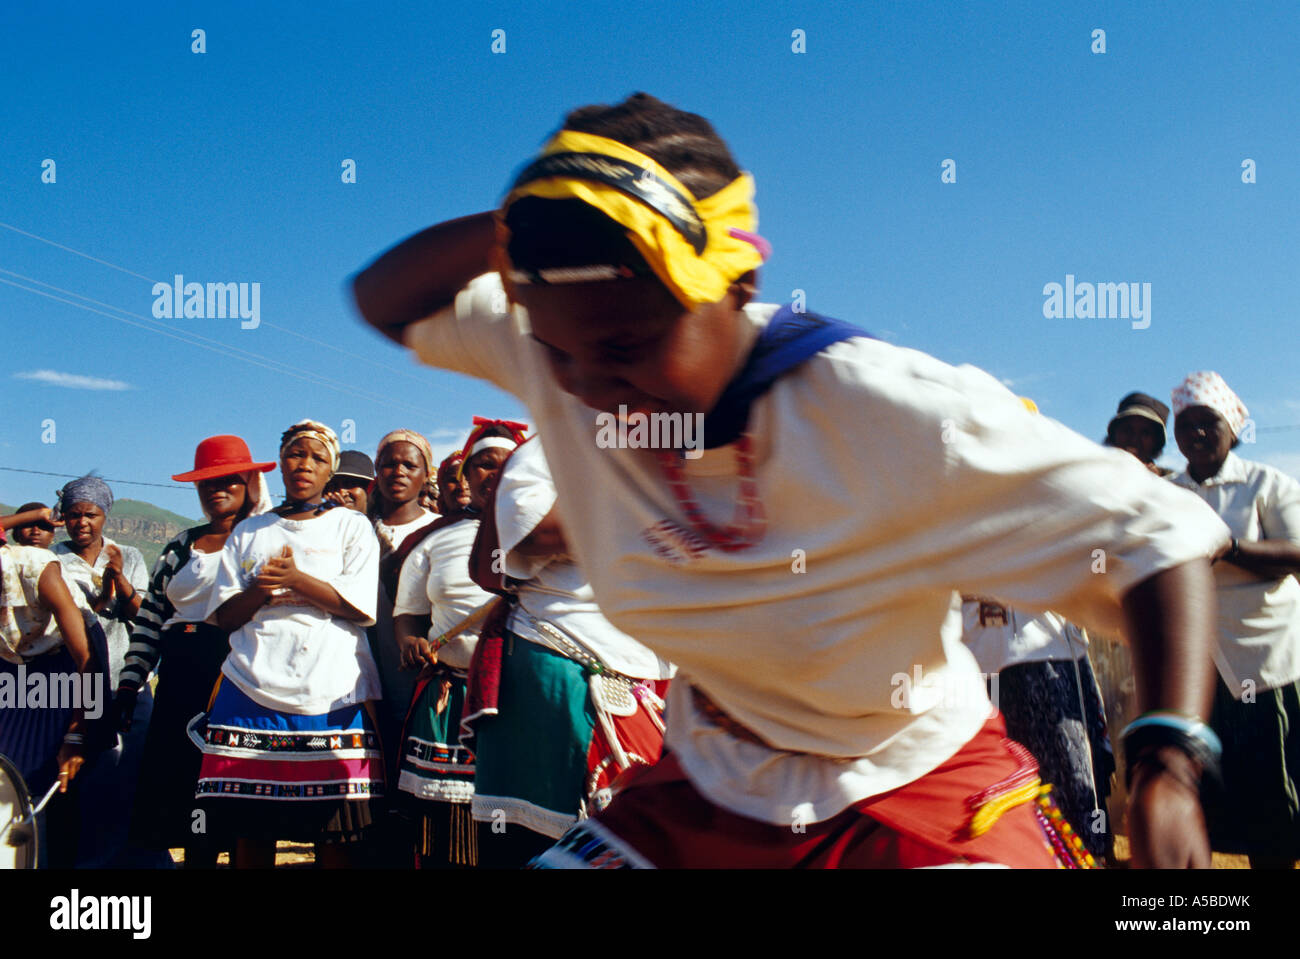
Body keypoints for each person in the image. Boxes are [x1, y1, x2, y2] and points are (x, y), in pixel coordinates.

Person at [354, 92, 1229, 868]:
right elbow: (384, 298)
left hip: (910, 787)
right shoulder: (573, 334)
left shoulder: (880, 406)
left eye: (626, 351)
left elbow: (1158, 541)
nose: (584, 389)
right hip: (713, 790)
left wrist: (1166, 763)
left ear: (730, 288)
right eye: (555, 352)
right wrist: (522, 223)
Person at [462, 435, 674, 866]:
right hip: (567, 661)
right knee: (559, 847)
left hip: (659, 669)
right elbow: (534, 527)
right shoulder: (563, 435)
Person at [195, 421, 383, 869]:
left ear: (331, 470)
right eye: (296, 455)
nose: (305, 465)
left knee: (335, 828)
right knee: (252, 828)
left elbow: (359, 609)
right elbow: (225, 617)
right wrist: (262, 588)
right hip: (251, 685)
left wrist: (297, 579)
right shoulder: (250, 532)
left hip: (332, 686)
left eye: (318, 458)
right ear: (280, 463)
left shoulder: (351, 527)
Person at [114, 435, 275, 868]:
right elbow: (151, 617)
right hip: (179, 677)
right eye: (205, 483)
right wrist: (130, 683)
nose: (215, 490)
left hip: (232, 676)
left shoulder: (262, 540)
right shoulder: (181, 545)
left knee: (226, 776)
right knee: (181, 780)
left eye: (227, 480)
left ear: (249, 483)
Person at [1169, 371, 1300, 868]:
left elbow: (1295, 554)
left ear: (1234, 428)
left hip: (1264, 664)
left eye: (1208, 423)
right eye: (1186, 425)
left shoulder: (1266, 484)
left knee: (1275, 794)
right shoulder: (1169, 493)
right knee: (1217, 798)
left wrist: (1230, 546)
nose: (1197, 435)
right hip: (1202, 672)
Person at [391, 420, 522, 867]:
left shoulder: (546, 535)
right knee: (442, 834)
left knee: (516, 826)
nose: (495, 474)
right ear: (466, 476)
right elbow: (407, 611)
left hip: (520, 699)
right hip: (448, 700)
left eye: (507, 465)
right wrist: (409, 640)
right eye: (484, 465)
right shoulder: (432, 540)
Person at [51, 474, 156, 867]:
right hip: (75, 687)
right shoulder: (53, 558)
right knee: (84, 780)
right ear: (63, 517)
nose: (82, 523)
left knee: (128, 777)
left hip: (126, 683)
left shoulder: (127, 554)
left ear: (104, 516)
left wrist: (119, 580)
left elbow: (142, 616)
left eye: (90, 514)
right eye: (73, 514)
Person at [0, 539, 106, 867]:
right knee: (7, 763)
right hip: (14, 659)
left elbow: (85, 657)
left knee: (51, 771)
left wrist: (75, 735)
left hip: (69, 657)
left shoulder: (35, 567)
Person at [1105, 392, 1172, 476]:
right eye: (1127, 430)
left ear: (1157, 442)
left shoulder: (1172, 483)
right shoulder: (1092, 469)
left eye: (1145, 433)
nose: (1134, 439)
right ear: (1114, 434)